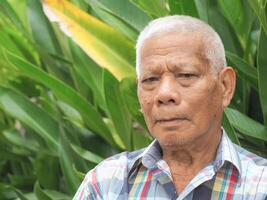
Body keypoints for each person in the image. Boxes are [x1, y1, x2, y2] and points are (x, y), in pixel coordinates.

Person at [73, 15, 267, 200]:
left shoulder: (260, 185)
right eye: (150, 79)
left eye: (186, 75)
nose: (164, 94)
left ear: (225, 86)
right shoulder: (106, 183)